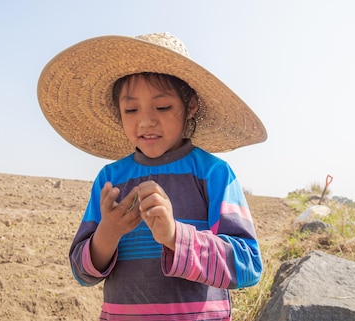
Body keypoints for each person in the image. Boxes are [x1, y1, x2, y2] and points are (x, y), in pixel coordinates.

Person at [37, 32, 267, 320]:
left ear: (191, 105)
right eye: (131, 109)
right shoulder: (111, 179)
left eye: (162, 107)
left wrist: (174, 236)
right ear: (118, 112)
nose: (146, 120)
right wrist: (107, 233)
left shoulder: (213, 174)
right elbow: (81, 273)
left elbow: (248, 265)